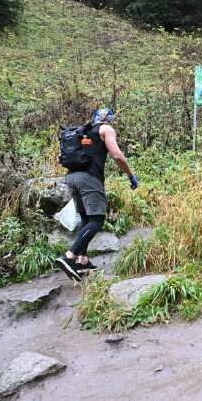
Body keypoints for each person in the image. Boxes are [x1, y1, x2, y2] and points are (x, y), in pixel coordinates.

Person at [55, 108, 138, 281]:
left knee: (86, 219)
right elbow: (117, 156)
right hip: (90, 178)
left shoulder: (82, 131)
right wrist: (131, 175)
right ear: (109, 119)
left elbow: (59, 158)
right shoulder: (106, 129)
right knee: (97, 220)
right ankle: (69, 256)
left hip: (72, 177)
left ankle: (82, 261)